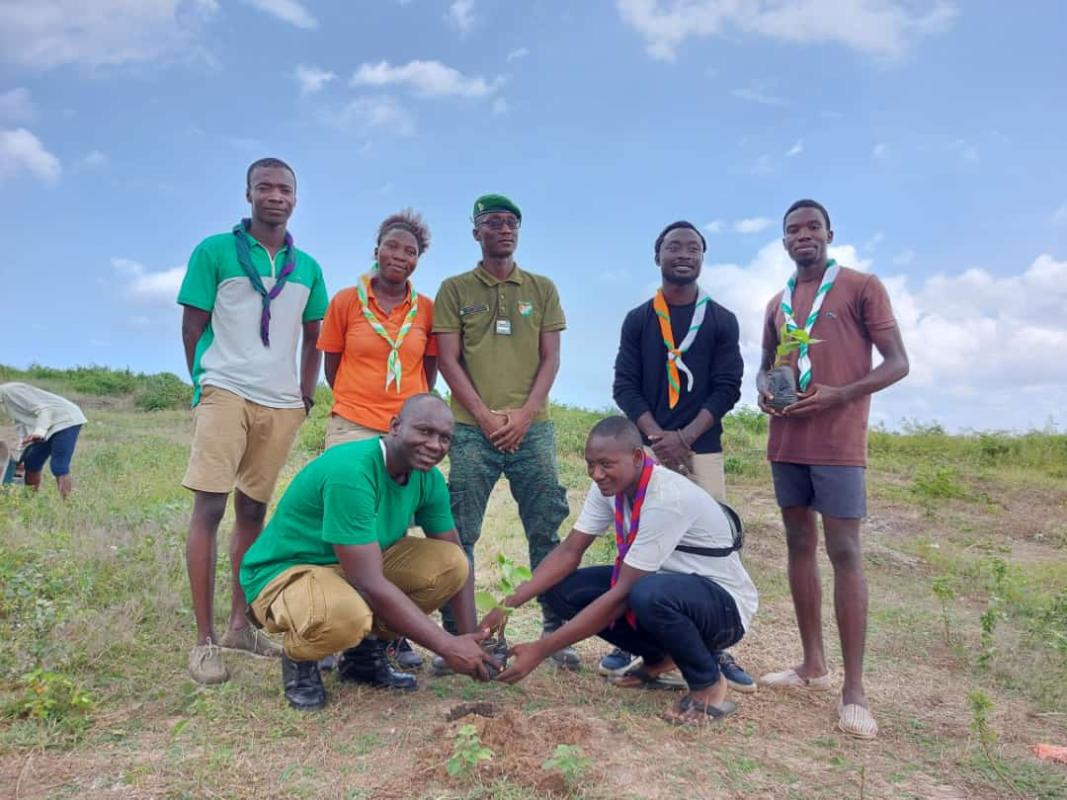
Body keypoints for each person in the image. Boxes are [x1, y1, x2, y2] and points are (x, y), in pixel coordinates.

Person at [486, 416, 759, 726]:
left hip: (723, 607)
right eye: (590, 464)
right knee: (563, 591)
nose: (597, 474)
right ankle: (660, 659)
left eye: (606, 464)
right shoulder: (610, 487)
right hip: (669, 589)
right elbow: (570, 551)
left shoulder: (666, 497)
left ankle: (708, 683)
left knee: (645, 593)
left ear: (638, 457)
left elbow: (622, 595)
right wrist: (506, 604)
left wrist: (541, 649)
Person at [756, 199, 909, 740]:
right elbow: (768, 364)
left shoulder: (863, 286)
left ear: (829, 233)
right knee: (799, 542)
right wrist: (765, 393)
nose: (803, 235)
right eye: (793, 229)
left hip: (840, 443)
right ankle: (811, 664)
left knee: (845, 552)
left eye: (812, 227)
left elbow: (898, 362)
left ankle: (855, 690)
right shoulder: (778, 302)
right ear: (783, 241)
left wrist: (840, 394)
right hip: (787, 440)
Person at [240, 394, 498, 709]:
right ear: (394, 427)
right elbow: (368, 582)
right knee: (347, 615)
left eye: (445, 438)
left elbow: (457, 559)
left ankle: (363, 658)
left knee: (451, 564)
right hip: (287, 572)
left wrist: (470, 641)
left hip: (351, 568)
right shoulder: (353, 471)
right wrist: (448, 647)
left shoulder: (427, 479)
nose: (435, 445)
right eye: (424, 431)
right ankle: (299, 660)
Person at [177, 157, 328, 685]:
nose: (275, 196)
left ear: (295, 198)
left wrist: (305, 395)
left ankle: (241, 625)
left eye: (285, 188)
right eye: (264, 187)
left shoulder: (307, 266)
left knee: (253, 512)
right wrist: (204, 381)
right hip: (226, 390)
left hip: (280, 402)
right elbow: (192, 325)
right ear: (248, 195)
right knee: (209, 507)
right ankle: (204, 641)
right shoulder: (215, 251)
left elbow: (316, 336)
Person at [432, 193, 576, 670]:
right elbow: (448, 361)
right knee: (459, 533)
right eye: (493, 223)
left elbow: (551, 357)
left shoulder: (541, 287)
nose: (504, 230)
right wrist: (488, 416)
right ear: (476, 232)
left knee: (545, 529)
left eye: (512, 222)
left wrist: (526, 414)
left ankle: (555, 629)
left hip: (533, 432)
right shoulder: (455, 290)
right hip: (472, 431)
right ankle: (462, 635)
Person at [610, 220, 753, 691]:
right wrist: (654, 437)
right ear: (658, 256)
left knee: (710, 544)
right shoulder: (638, 319)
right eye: (674, 246)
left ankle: (714, 644)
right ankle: (638, 639)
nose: (684, 253)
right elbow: (624, 385)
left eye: (693, 247)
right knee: (639, 537)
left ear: (702, 258)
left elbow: (728, 387)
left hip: (702, 448)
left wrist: (685, 438)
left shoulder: (721, 319)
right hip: (645, 451)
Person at [317, 209, 438, 670]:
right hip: (352, 423)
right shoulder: (347, 301)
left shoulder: (424, 309)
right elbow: (333, 364)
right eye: (392, 246)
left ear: (417, 260)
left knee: (394, 528)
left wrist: (408, 419)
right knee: (343, 528)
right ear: (377, 249)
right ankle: (331, 627)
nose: (400, 256)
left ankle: (387, 632)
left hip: (404, 432)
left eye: (410, 251)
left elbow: (426, 373)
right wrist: (355, 401)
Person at [0, 382, 86, 498]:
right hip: (47, 425)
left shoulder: (10, 391)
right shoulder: (4, 403)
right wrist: (21, 454)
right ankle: (29, 501)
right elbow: (22, 425)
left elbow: (44, 409)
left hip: (65, 420)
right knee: (31, 462)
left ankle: (68, 506)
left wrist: (39, 432)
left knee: (58, 466)